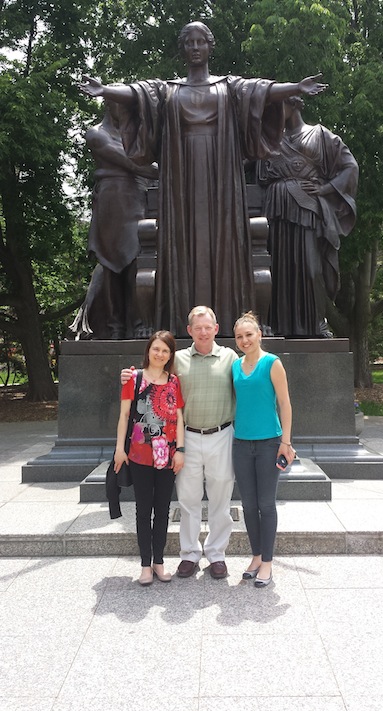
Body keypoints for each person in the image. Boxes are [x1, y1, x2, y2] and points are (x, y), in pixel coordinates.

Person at [79, 22, 327, 337]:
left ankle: (228, 318)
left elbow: (261, 91)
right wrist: (104, 90)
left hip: (221, 181)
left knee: (225, 241)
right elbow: (137, 93)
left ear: (210, 47)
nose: (195, 48)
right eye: (189, 43)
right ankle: (180, 320)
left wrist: (294, 88)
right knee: (181, 241)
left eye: (201, 42)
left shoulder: (229, 88)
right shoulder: (168, 90)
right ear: (183, 49)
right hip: (181, 181)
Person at [121, 306, 238, 579]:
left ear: (216, 328)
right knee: (187, 499)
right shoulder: (179, 360)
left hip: (222, 435)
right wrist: (129, 376)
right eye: (198, 327)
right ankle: (190, 555)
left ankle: (217, 555)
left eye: (208, 327)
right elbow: (154, 376)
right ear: (189, 331)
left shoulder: (230, 357)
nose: (203, 332)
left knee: (221, 498)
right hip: (187, 439)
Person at [258, 95, 358, 338]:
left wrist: (326, 189)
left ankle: (316, 322)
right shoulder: (268, 141)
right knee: (278, 268)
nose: (274, 113)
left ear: (294, 104)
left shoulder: (320, 134)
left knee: (311, 267)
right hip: (276, 208)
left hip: (307, 209)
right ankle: (277, 323)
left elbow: (350, 167)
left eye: (278, 106)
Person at [69, 98, 158, 340]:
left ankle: (139, 322)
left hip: (141, 198)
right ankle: (113, 324)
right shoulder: (97, 134)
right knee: (112, 260)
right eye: (124, 106)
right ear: (111, 106)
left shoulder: (137, 136)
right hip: (114, 199)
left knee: (140, 258)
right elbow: (134, 163)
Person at [115, 330, 185, 585]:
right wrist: (119, 449)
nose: (160, 354)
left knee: (163, 510)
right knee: (143, 510)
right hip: (139, 455)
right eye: (156, 349)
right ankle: (145, 564)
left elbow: (178, 418)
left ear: (170, 355)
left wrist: (181, 451)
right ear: (148, 350)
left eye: (165, 351)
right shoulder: (133, 379)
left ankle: (159, 562)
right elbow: (124, 416)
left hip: (166, 456)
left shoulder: (174, 381)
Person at [232, 311, 295, 587]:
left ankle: (267, 563)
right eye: (239, 336)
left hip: (270, 442)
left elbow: (285, 404)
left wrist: (286, 442)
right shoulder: (234, 366)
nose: (245, 340)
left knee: (266, 504)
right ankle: (256, 556)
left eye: (249, 334)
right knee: (247, 505)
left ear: (259, 335)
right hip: (241, 443)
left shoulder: (272, 363)